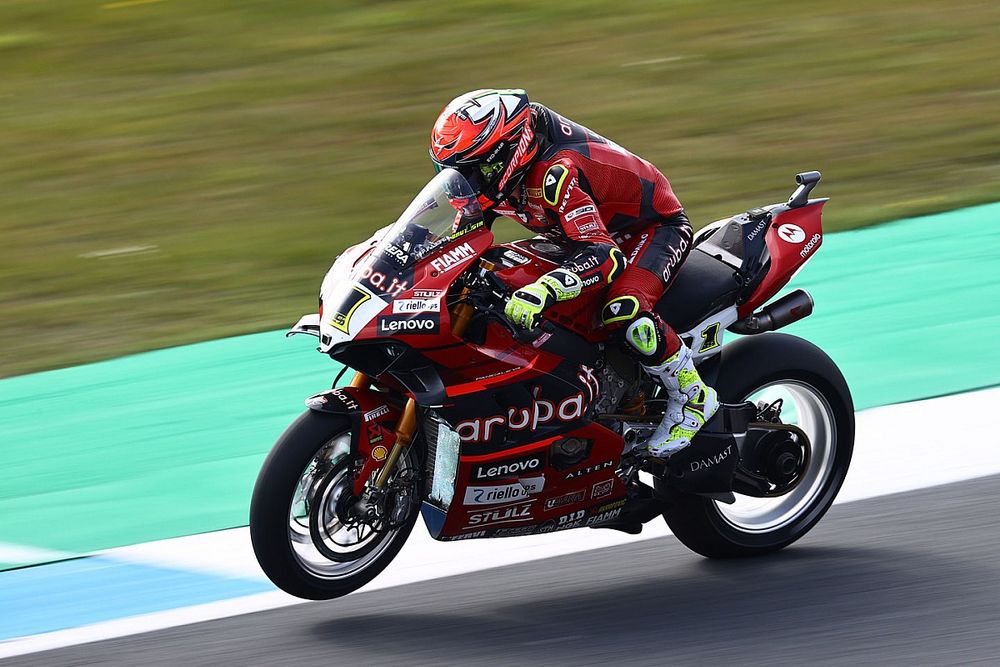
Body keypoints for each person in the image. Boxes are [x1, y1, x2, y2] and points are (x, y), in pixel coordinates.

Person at [429, 89, 717, 457]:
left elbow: (604, 254)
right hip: (578, 232)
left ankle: (692, 397)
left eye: (473, 169)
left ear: (508, 152)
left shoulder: (556, 173)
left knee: (623, 310)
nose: (463, 181)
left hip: (648, 230)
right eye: (450, 171)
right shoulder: (493, 176)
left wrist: (546, 289)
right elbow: (460, 238)